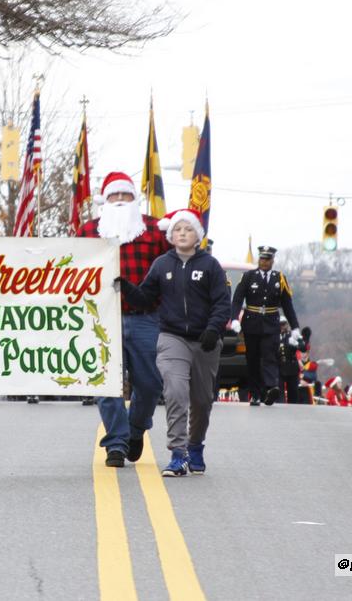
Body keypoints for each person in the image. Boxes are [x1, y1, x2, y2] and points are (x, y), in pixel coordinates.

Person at [118, 208, 231, 477]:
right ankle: (177, 455)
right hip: (171, 338)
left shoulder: (210, 266)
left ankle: (195, 446)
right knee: (175, 392)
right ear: (171, 235)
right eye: (178, 229)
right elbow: (146, 298)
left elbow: (222, 303)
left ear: (198, 235)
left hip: (205, 341)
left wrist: (214, 330)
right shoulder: (162, 265)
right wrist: (126, 288)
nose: (182, 233)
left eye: (188, 229)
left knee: (202, 401)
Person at [77, 172, 170, 468]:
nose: (119, 201)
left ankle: (136, 428)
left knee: (151, 384)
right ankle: (116, 443)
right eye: (113, 196)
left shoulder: (155, 231)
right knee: (106, 384)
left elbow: (170, 272)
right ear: (104, 200)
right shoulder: (88, 231)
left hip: (145, 318)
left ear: (134, 199)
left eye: (125, 195)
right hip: (102, 320)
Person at [230, 246, 301, 406]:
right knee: (253, 359)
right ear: (259, 259)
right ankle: (255, 394)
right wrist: (234, 318)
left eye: (268, 259)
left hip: (271, 323)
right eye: (262, 259)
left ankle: (271, 387)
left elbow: (287, 306)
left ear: (272, 261)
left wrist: (295, 327)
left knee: (270, 355)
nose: (264, 262)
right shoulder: (248, 276)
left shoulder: (279, 278)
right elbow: (237, 299)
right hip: (251, 322)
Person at [277, 317, 306, 404]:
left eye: (283, 324)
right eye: (280, 324)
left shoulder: (292, 335)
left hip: (292, 368)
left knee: (293, 395)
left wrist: (297, 343)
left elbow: (303, 348)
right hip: (279, 368)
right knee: (279, 395)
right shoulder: (274, 336)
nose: (282, 326)